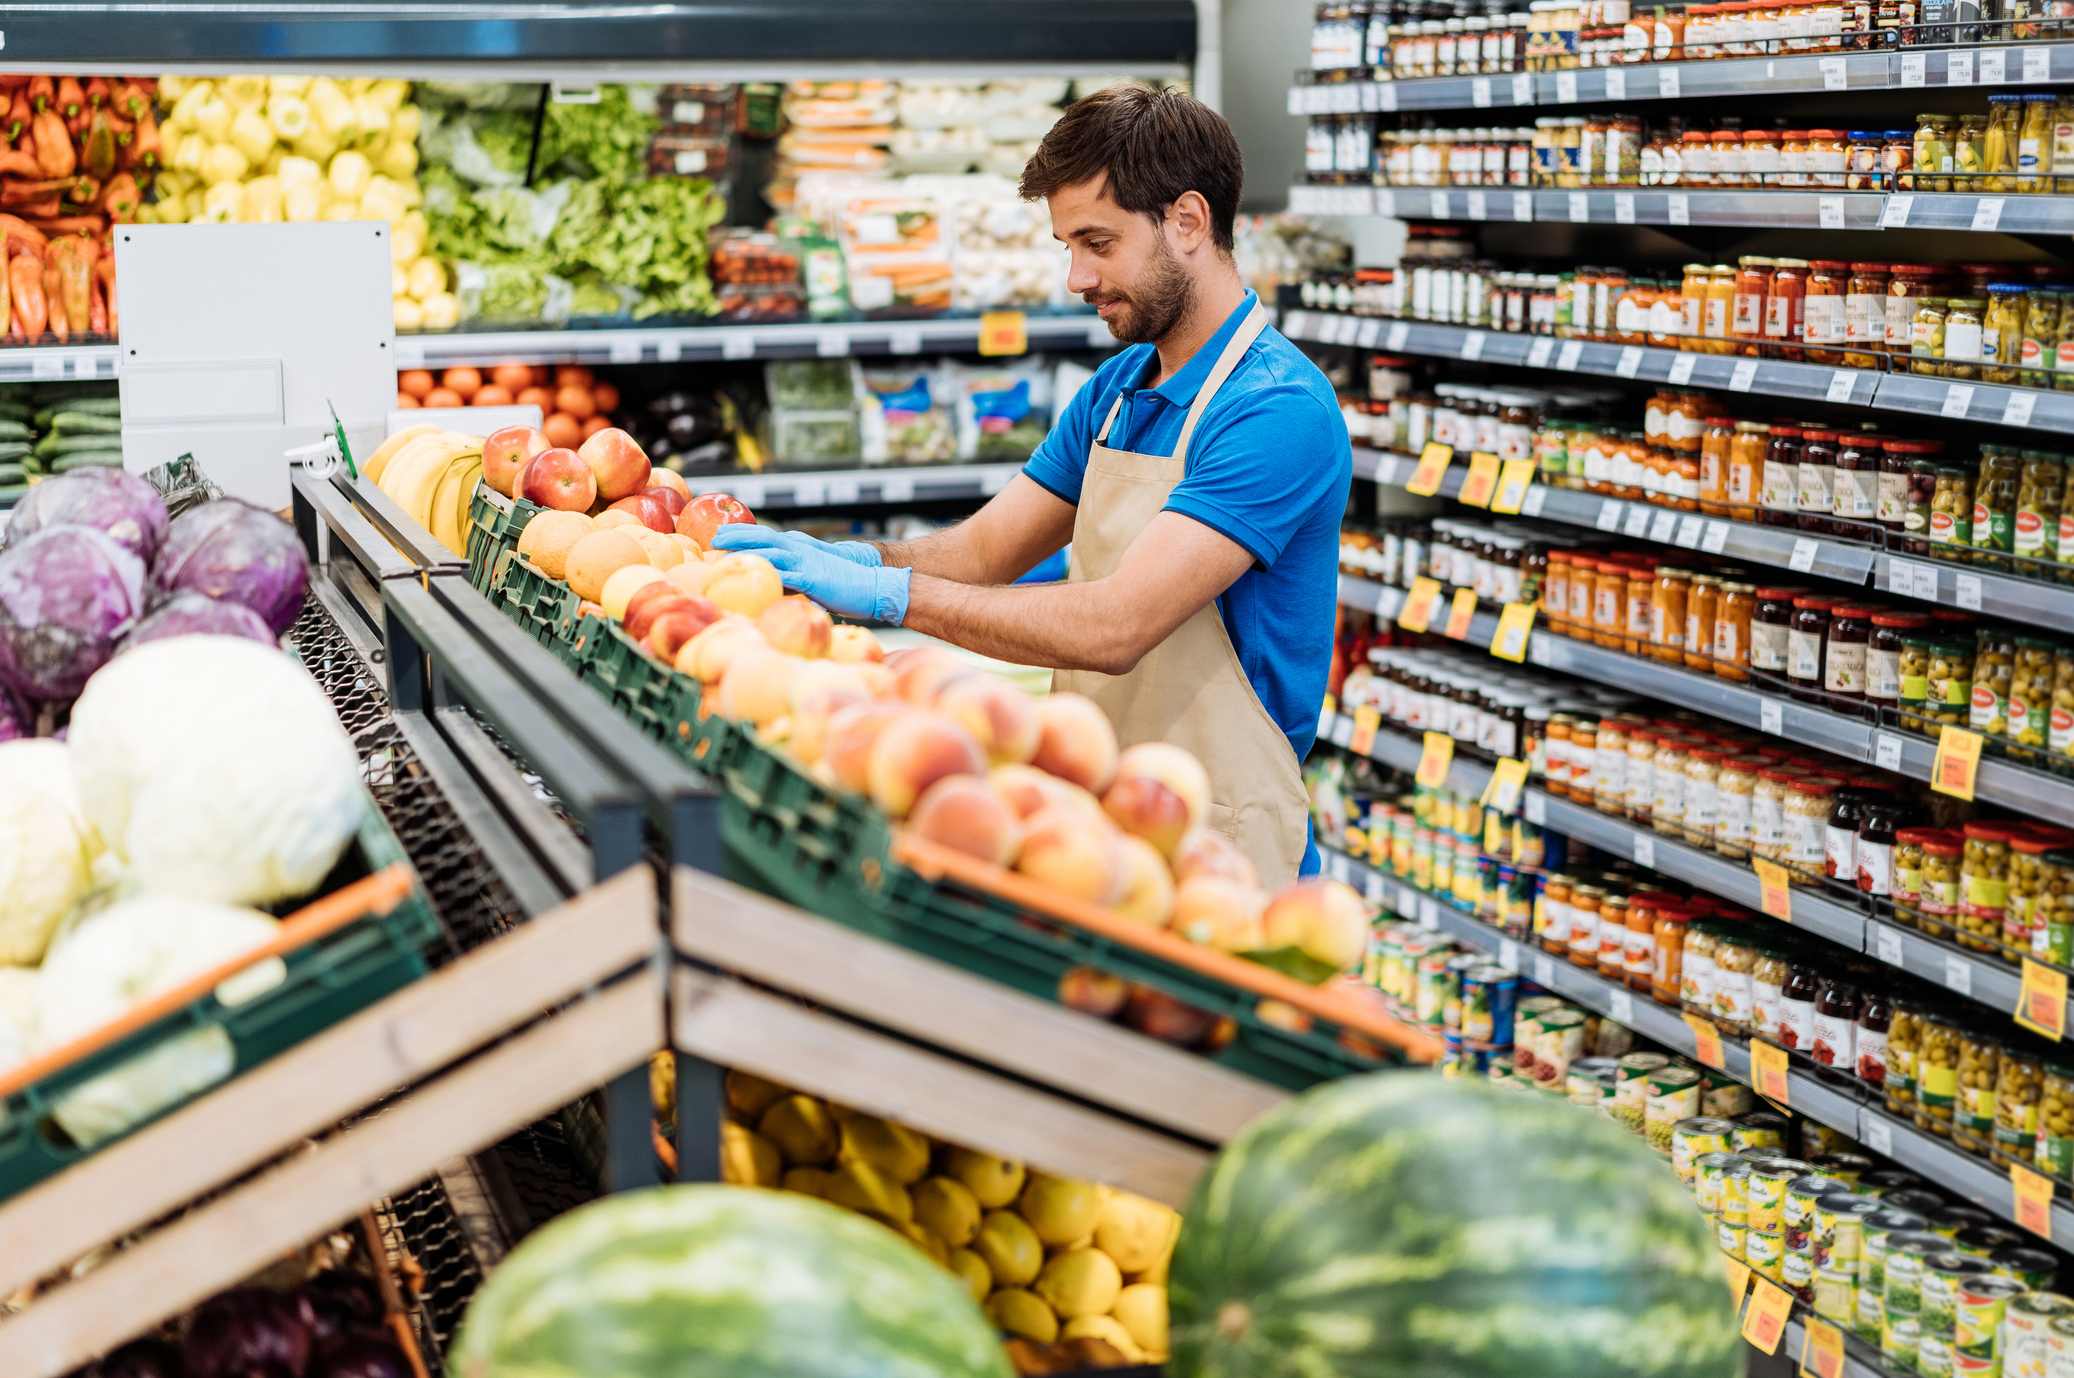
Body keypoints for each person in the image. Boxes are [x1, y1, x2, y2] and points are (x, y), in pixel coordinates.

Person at [714, 85, 1351, 884]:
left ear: (1187, 222)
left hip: (1222, 844)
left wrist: (890, 600)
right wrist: (854, 559)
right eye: (1066, 247)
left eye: (1098, 241)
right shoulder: (1118, 388)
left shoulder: (1275, 412)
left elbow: (1115, 627)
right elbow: (984, 550)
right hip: (1092, 816)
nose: (1077, 277)